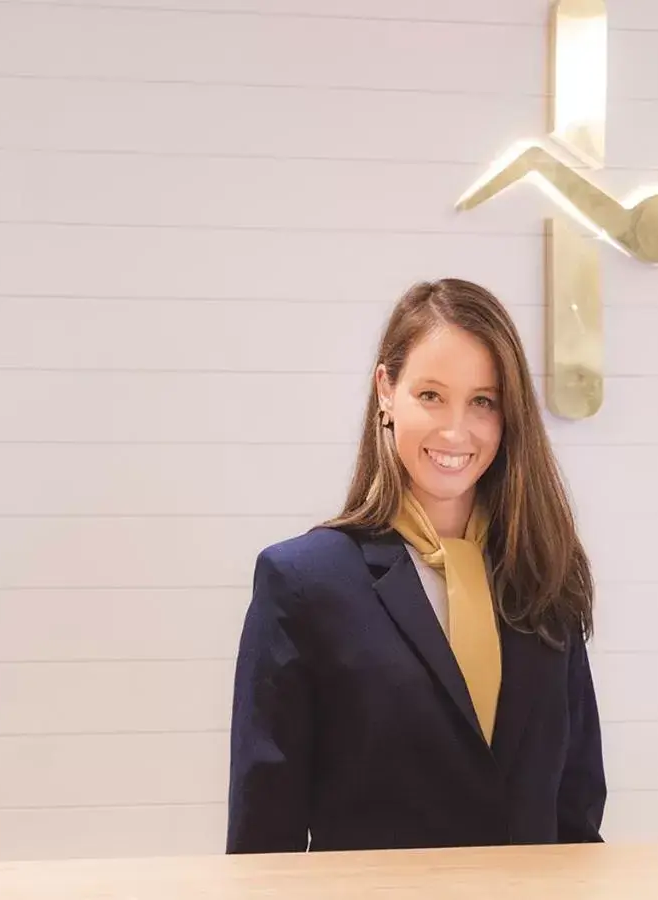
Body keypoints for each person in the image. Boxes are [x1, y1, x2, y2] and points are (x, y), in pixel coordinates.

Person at [225, 278, 606, 854]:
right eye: (431, 395)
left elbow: (576, 817)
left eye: (483, 401)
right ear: (386, 390)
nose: (456, 430)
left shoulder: (545, 574)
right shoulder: (304, 584)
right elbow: (263, 842)